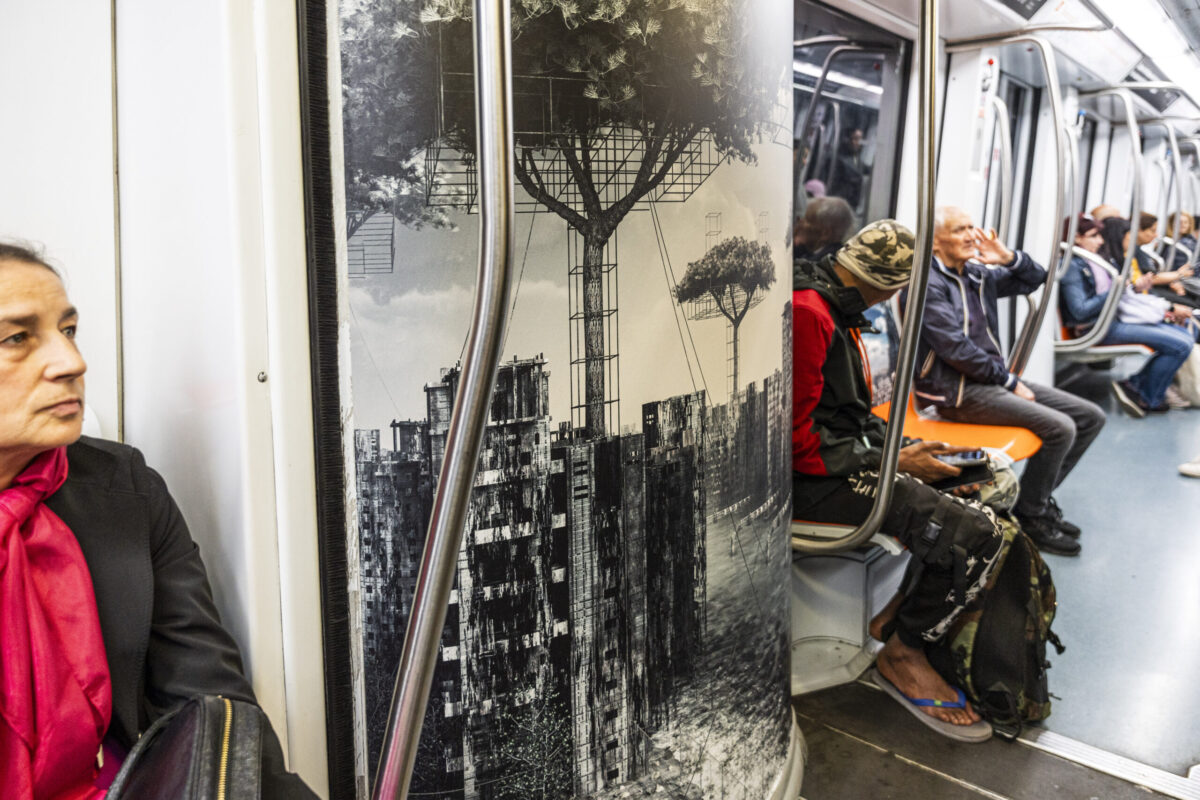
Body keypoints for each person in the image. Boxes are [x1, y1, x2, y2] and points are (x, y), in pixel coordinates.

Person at [0, 243, 315, 798]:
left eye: (68, 330)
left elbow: (211, 710)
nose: (72, 362)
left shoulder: (125, 489)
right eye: (17, 339)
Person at [793, 220, 1010, 742]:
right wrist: (894, 465)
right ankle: (904, 650)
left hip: (842, 460)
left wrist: (900, 447)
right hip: (809, 481)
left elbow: (845, 414)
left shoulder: (833, 304)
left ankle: (894, 616)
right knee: (980, 536)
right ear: (890, 287)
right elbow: (796, 443)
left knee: (989, 483)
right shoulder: (810, 314)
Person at [903, 207, 1106, 557]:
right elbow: (956, 350)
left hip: (987, 382)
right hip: (953, 393)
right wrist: (1010, 382)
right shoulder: (925, 286)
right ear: (935, 242)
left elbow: (1037, 277)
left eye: (971, 227)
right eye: (958, 230)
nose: (970, 235)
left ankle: (1033, 502)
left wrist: (1008, 258)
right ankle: (1032, 515)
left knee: (1090, 417)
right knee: (1061, 428)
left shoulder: (976, 276)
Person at [1062, 215, 1196, 416]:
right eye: (1093, 236)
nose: (1100, 240)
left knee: (1184, 337)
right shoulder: (1074, 266)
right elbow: (1080, 310)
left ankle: (1136, 386)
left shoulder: (1099, 261)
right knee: (1179, 345)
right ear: (1077, 238)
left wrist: (1129, 288)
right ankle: (1148, 397)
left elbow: (1123, 295)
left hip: (1113, 320)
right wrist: (1119, 289)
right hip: (1097, 327)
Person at [793, 196, 855, 262]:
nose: (801, 222)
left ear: (826, 233)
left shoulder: (823, 262)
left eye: (808, 220)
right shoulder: (814, 252)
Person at [829, 128, 869, 210]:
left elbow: (867, 170)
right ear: (847, 140)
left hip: (853, 207)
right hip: (840, 205)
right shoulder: (838, 159)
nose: (858, 143)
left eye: (860, 139)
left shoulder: (857, 160)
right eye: (856, 139)